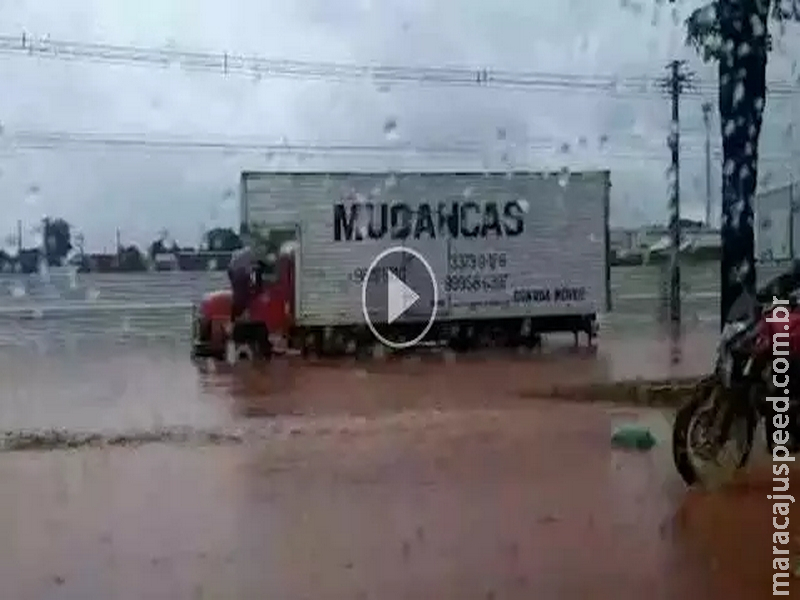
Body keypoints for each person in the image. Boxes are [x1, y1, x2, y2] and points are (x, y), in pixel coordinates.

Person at [227, 227, 258, 327]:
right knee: (242, 297)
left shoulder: (243, 252)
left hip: (234, 271)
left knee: (238, 297)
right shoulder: (252, 253)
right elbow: (252, 270)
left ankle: (235, 320)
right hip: (239, 273)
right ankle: (238, 320)